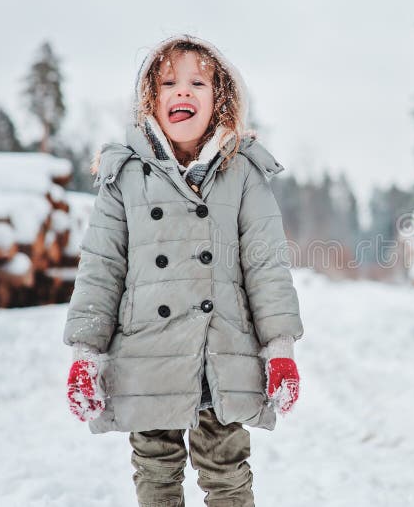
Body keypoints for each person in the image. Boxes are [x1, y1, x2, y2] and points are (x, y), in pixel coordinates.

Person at [63, 34, 304, 506]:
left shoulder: (243, 172)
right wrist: (85, 353)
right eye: (169, 82)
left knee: (227, 473)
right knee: (155, 474)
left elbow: (266, 265)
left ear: (220, 99)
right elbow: (100, 268)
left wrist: (280, 348)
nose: (183, 92)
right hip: (146, 352)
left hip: (220, 352)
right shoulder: (124, 175)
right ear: (151, 99)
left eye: (198, 82)